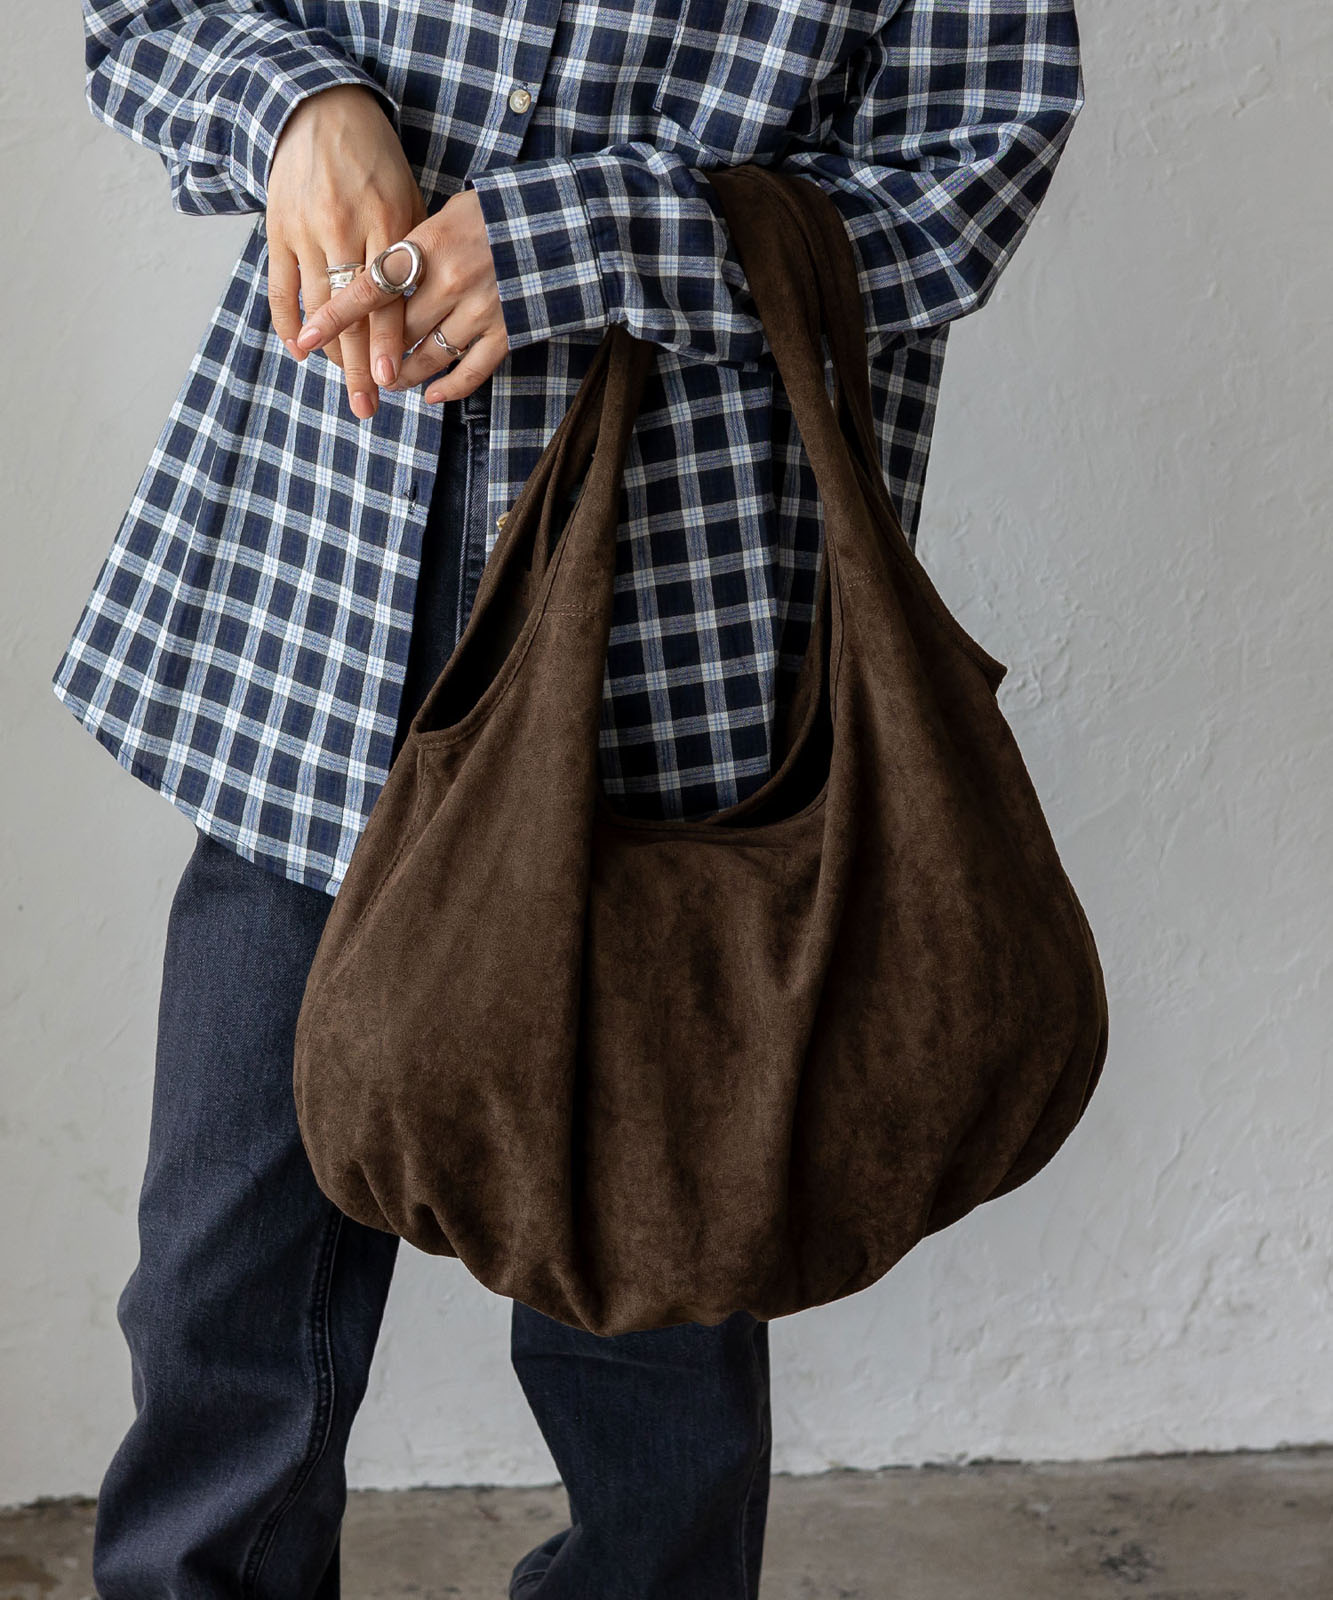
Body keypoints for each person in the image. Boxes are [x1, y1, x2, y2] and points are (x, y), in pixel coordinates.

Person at [51, 2, 1085, 1595]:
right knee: (220, 1288)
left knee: (655, 1304)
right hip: (328, 611)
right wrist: (297, 107)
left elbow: (967, 176)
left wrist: (595, 236)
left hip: (674, 648)